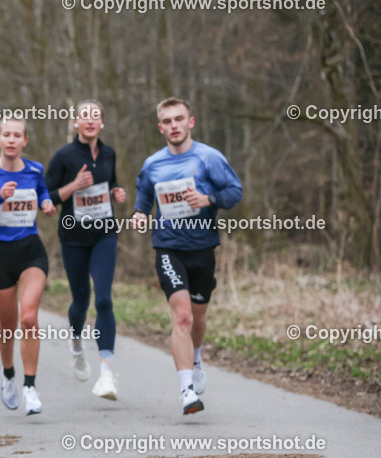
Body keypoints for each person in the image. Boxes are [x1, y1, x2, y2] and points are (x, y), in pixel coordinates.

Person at [131, 97, 243, 415]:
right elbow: (143, 193)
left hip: (203, 248)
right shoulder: (153, 163)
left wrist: (208, 198)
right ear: (160, 127)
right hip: (168, 247)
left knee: (198, 316)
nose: (174, 126)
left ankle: (196, 358)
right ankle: (186, 392)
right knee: (182, 316)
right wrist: (139, 213)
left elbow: (235, 191)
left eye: (179, 119)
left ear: (190, 122)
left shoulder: (209, 158)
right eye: (167, 121)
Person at [0, 118, 56, 415]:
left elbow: (43, 191)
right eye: (6, 134)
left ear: (25, 141)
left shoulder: (34, 170)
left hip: (31, 251)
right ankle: (8, 373)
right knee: (8, 326)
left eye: (16, 135)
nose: (11, 140)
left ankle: (30, 387)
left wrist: (46, 204)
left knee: (29, 318)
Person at [45, 100, 127, 400]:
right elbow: (48, 198)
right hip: (74, 239)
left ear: (102, 123)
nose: (90, 121)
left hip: (105, 234)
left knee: (104, 300)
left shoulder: (109, 153)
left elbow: (112, 183)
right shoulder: (64, 156)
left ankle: (107, 374)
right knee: (81, 301)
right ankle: (77, 343)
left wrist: (117, 192)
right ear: (76, 122)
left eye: (96, 116)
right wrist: (74, 185)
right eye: (84, 116)